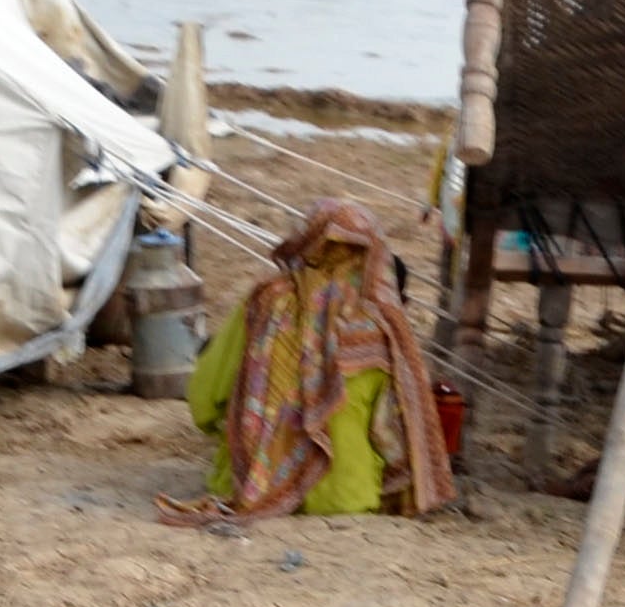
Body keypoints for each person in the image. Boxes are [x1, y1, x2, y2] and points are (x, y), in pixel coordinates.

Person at [177, 200, 452, 519]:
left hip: (248, 486)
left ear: (308, 239)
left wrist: (230, 430)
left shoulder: (266, 300)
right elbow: (394, 432)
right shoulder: (380, 323)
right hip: (345, 499)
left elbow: (206, 393)